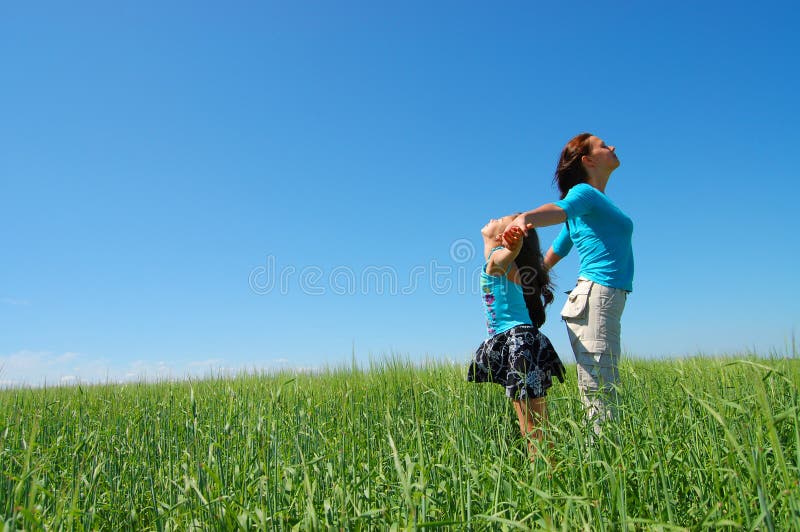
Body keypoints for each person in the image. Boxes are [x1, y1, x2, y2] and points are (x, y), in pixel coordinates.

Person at [499, 133, 633, 435]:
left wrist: (536, 277)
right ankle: (603, 473)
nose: (612, 147)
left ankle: (602, 464)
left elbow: (558, 248)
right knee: (600, 393)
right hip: (596, 297)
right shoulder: (584, 194)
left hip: (601, 299)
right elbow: (558, 210)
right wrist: (525, 218)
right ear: (588, 160)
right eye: (603, 146)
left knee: (602, 390)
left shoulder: (591, 206)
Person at [468, 214, 565, 461]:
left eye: (504, 218)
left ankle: (546, 483)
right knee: (536, 425)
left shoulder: (496, 261)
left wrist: (513, 246)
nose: (494, 218)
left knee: (531, 428)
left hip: (518, 345)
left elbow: (505, 255)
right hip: (523, 342)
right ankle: (552, 476)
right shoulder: (513, 269)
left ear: (504, 236)